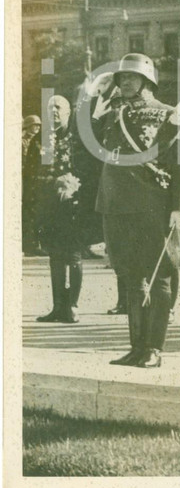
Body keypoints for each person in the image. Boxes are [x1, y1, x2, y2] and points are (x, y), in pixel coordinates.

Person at [94, 53, 180, 368]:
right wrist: (99, 94)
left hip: (152, 207)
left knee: (158, 277)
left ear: (148, 81)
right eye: (121, 78)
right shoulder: (109, 114)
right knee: (130, 278)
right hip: (117, 206)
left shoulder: (169, 114)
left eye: (132, 77)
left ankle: (154, 349)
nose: (125, 83)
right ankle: (137, 347)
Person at [35, 97, 88, 322]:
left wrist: (73, 187)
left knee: (73, 255)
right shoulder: (41, 138)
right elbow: (31, 173)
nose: (54, 111)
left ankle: (72, 307)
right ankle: (58, 307)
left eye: (59, 108)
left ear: (68, 113)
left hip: (73, 206)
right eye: (50, 108)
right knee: (55, 256)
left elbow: (87, 171)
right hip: (49, 206)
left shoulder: (78, 140)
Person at [22, 114, 46, 256]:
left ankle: (36, 243)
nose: (36, 128)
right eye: (34, 125)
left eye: (38, 125)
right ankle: (30, 244)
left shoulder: (37, 141)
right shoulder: (23, 141)